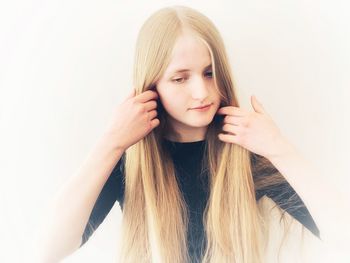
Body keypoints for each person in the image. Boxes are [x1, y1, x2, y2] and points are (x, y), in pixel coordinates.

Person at [34, 5, 325, 263]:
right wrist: (110, 143)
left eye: (210, 73)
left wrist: (280, 149)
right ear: (152, 86)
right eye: (180, 78)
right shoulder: (130, 164)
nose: (202, 92)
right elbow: (47, 250)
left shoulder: (245, 156)